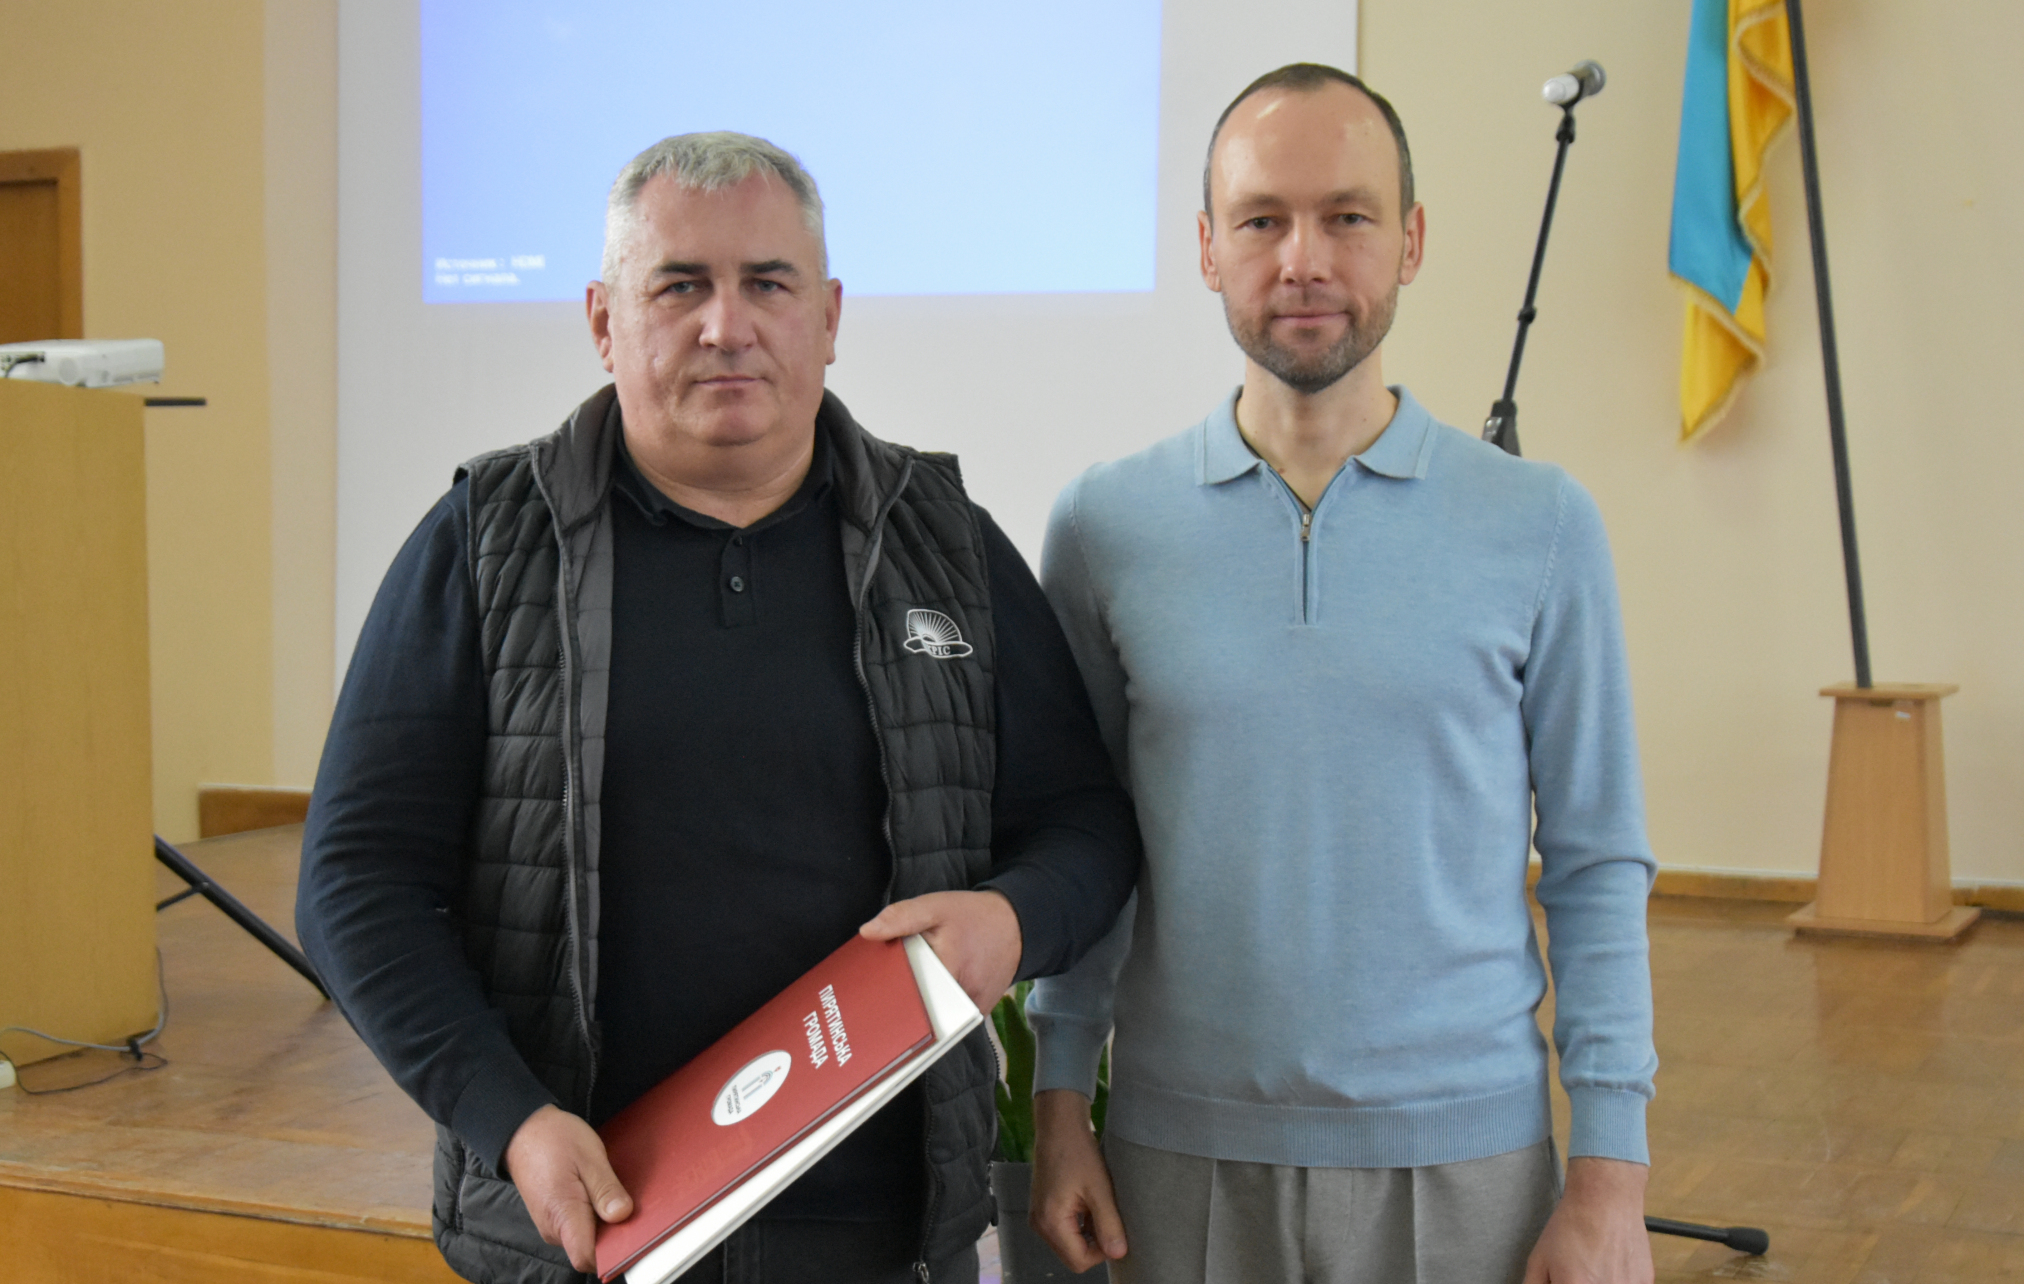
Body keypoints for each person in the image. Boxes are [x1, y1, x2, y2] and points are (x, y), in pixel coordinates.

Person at [297, 132, 1139, 1284]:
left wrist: (1013, 919)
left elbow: (1084, 821)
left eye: (767, 284)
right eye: (680, 285)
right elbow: (353, 881)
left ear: (828, 318)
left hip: (881, 1238)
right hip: (584, 1231)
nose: (725, 325)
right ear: (603, 320)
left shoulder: (944, 541)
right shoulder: (484, 544)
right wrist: (512, 1120)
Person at [1025, 64, 1658, 1283]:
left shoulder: (1538, 523)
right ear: (1206, 248)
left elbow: (1594, 862)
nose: (1302, 259)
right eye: (1261, 219)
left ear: (1409, 241)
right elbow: (1082, 842)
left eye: (1346, 217)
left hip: (1468, 1158)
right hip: (1176, 1153)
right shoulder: (1104, 526)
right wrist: (1058, 1100)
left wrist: (1609, 1178)